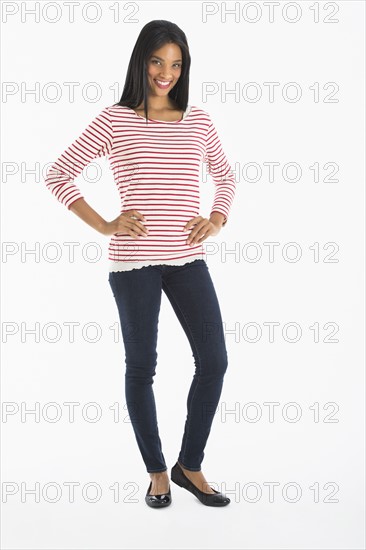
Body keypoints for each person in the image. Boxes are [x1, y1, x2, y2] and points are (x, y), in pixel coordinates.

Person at [45, 20, 236, 508]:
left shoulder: (199, 120)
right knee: (142, 366)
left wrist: (216, 218)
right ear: (141, 62)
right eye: (157, 61)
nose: (166, 73)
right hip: (134, 264)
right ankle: (157, 472)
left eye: (175, 63)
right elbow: (58, 174)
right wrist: (106, 225)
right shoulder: (116, 119)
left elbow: (226, 176)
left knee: (214, 361)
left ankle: (189, 465)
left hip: (188, 260)